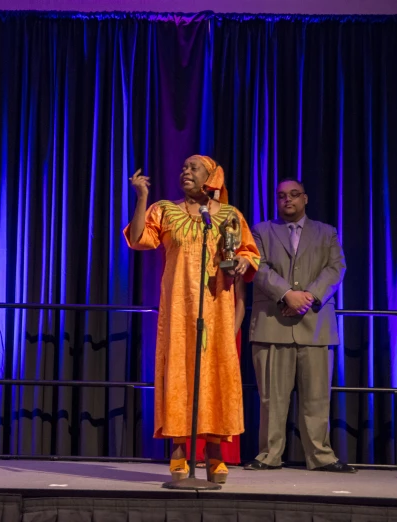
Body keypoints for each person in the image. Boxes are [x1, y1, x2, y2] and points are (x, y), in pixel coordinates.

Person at [124, 155, 261, 484]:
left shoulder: (228, 216)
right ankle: (178, 449)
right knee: (180, 375)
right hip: (179, 312)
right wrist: (141, 198)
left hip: (216, 310)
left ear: (211, 177)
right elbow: (139, 239)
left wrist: (243, 261)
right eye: (183, 167)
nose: (185, 172)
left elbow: (248, 251)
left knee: (214, 376)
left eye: (193, 168)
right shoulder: (165, 210)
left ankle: (214, 452)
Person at [246, 178, 355, 473]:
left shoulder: (326, 232)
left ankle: (321, 456)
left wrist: (309, 296)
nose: (287, 200)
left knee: (317, 398)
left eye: (294, 195)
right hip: (272, 324)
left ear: (305, 198)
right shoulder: (261, 230)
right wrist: (287, 294)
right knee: (272, 398)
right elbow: (258, 266)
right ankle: (269, 455)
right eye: (281, 196)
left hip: (316, 323)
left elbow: (336, 268)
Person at [186, 275, 245, 467]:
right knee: (194, 385)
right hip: (196, 328)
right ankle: (195, 450)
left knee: (220, 388)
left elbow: (241, 302)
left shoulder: (232, 256)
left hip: (225, 331)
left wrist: (229, 333)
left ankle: (219, 451)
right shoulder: (193, 260)